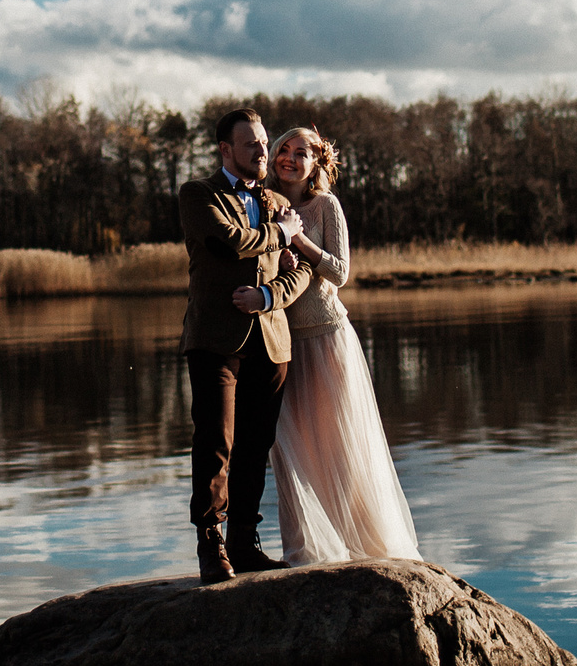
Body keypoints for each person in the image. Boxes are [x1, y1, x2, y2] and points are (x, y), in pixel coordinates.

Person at [264, 125, 420, 563]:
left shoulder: (325, 205)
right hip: (283, 342)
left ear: (316, 164)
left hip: (329, 338)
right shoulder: (264, 203)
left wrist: (297, 237)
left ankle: (364, 544)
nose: (289, 159)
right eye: (284, 150)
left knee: (340, 445)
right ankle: (306, 549)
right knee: (291, 450)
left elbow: (340, 272)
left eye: (302, 153)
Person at [178, 106, 313, 585]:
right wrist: (283, 232)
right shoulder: (198, 194)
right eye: (252, 144)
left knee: (256, 447)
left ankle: (245, 543)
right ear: (225, 149)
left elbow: (303, 270)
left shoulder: (278, 202)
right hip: (216, 341)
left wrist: (269, 295)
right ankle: (210, 545)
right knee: (216, 442)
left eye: (263, 142)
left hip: (272, 341)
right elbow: (231, 242)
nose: (263, 150)